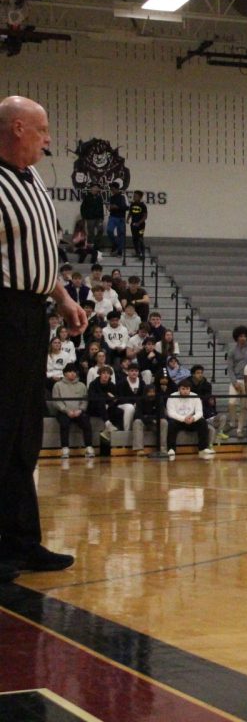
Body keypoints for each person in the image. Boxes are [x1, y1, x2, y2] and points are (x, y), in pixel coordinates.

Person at [0, 95, 87, 580]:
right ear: (16, 128)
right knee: (2, 428)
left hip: (32, 313)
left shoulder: (32, 178)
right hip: (4, 312)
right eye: (41, 130)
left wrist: (62, 297)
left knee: (24, 434)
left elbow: (35, 253)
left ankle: (21, 541)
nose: (49, 140)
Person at [165, 380, 215, 460]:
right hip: (178, 420)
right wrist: (183, 419)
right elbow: (170, 413)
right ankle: (171, 449)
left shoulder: (195, 396)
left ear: (190, 389)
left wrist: (193, 418)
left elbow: (199, 412)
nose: (185, 391)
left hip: (191, 420)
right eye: (183, 389)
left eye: (187, 389)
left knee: (202, 422)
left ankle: (203, 448)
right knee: (171, 423)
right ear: (179, 389)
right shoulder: (172, 396)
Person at [52, 364, 94, 459]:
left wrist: (80, 410)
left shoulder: (82, 385)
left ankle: (88, 447)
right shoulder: (58, 385)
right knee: (64, 424)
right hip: (64, 412)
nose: (72, 374)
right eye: (70, 372)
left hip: (78, 411)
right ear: (65, 373)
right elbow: (56, 401)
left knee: (86, 422)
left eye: (74, 372)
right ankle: (65, 448)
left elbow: (85, 400)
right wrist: (67, 411)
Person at [80, 185, 106, 254]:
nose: (96, 189)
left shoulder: (99, 197)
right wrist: (84, 217)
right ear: (92, 189)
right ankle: (90, 247)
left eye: (97, 188)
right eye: (95, 188)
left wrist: (102, 217)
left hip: (98, 218)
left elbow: (101, 208)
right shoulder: (87, 197)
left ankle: (97, 246)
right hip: (90, 218)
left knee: (100, 230)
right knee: (91, 233)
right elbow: (83, 208)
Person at [105, 187, 128, 257]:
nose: (112, 191)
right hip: (113, 216)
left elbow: (127, 207)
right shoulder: (111, 197)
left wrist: (118, 207)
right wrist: (109, 207)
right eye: (112, 190)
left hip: (121, 217)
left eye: (113, 189)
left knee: (121, 234)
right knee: (109, 230)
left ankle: (120, 251)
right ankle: (115, 244)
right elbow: (108, 208)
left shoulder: (123, 196)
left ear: (117, 189)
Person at [128, 190, 148, 259]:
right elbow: (130, 213)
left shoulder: (143, 205)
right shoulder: (132, 204)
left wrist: (139, 223)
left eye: (136, 196)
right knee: (134, 238)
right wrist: (128, 219)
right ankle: (137, 253)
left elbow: (145, 216)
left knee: (140, 238)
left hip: (141, 226)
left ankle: (143, 254)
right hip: (133, 225)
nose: (134, 197)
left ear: (140, 197)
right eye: (134, 196)